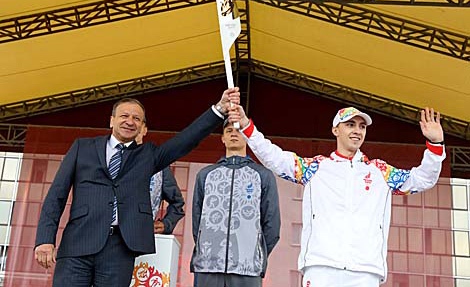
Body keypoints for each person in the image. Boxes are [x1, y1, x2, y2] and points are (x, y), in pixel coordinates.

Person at [34, 89, 239, 287]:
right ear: (112, 120)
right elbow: (56, 196)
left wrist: (218, 110)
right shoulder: (82, 147)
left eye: (137, 119)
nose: (130, 121)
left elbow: (185, 140)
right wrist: (45, 239)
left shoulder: (148, 155)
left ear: (142, 126)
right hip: (77, 242)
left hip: (120, 249)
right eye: (124, 115)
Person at [228, 104, 445, 287]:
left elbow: (422, 179)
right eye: (350, 124)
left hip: (366, 271)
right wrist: (247, 127)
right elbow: (273, 157)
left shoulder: (380, 172)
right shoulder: (316, 168)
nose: (357, 131)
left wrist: (435, 145)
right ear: (335, 130)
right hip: (322, 268)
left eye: (361, 127)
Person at [191, 118, 280, 287]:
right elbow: (197, 221)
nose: (233, 133)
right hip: (208, 266)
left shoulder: (262, 175)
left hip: (248, 268)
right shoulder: (205, 175)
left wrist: (255, 252)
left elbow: (272, 224)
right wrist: (207, 247)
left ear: (247, 136)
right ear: (223, 138)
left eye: (238, 130)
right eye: (228, 130)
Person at [136, 124, 185, 234]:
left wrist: (166, 224)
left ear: (144, 130)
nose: (131, 123)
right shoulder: (107, 161)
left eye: (137, 119)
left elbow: (177, 203)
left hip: (140, 236)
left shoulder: (158, 165)